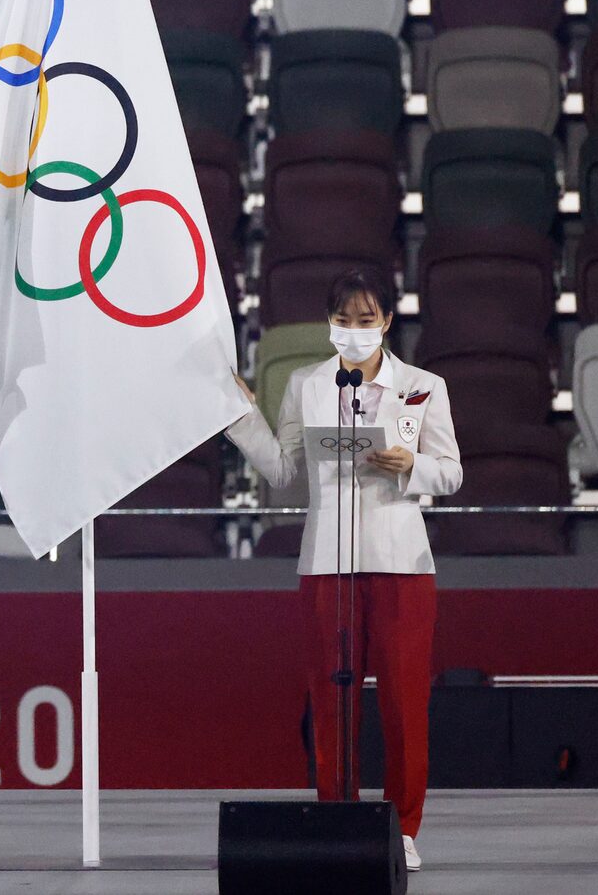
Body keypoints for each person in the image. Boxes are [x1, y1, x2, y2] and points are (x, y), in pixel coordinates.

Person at [225, 269, 461, 874]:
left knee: (406, 703)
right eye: (343, 321)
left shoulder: (421, 387)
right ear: (331, 324)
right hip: (328, 561)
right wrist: (241, 418)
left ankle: (403, 828)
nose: (353, 333)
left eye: (365, 321)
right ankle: (337, 818)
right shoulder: (306, 385)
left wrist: (412, 466)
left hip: (401, 563)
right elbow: (281, 471)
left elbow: (452, 472)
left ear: (386, 321)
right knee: (332, 698)